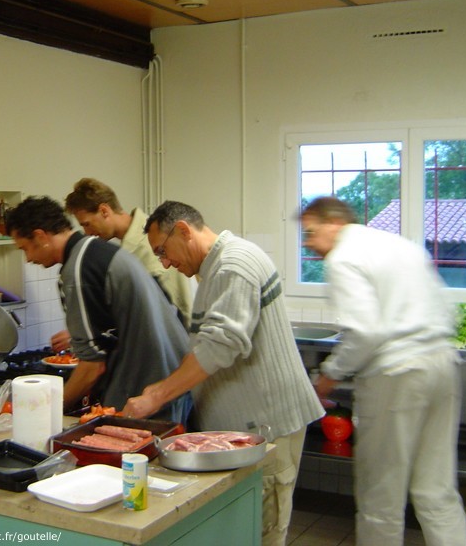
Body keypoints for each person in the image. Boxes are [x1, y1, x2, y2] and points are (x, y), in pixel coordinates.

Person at [123, 200, 323, 546]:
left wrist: (155, 395)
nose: (166, 263)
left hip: (268, 426)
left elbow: (220, 345)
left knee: (263, 532)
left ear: (183, 231)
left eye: (163, 251)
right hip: (249, 429)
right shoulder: (218, 267)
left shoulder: (233, 265)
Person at [300, 196, 466, 546]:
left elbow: (365, 331)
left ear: (334, 222)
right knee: (436, 490)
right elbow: (445, 310)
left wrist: (328, 375)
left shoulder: (345, 257)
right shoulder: (401, 246)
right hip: (442, 365)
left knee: (381, 496)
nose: (309, 244)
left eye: (311, 233)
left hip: (396, 375)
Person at [5, 196, 191, 423]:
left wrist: (49, 411)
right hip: (173, 378)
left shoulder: (78, 269)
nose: (28, 259)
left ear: (41, 236)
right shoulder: (99, 251)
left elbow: (93, 367)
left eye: (25, 248)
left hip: (146, 388)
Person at [64, 178, 193, 329]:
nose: (87, 233)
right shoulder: (134, 242)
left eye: (87, 224)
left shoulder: (147, 245)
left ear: (104, 211)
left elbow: (166, 312)